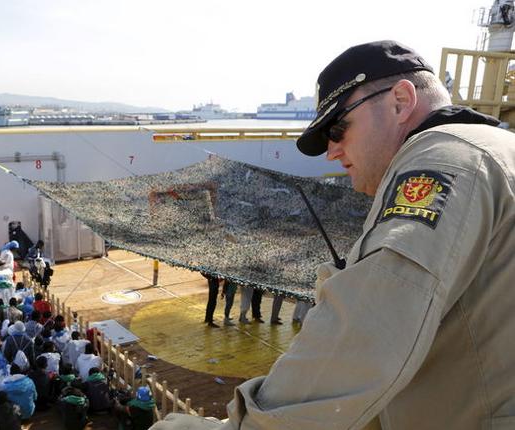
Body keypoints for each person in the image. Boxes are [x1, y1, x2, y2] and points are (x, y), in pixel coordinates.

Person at [152, 40, 515, 429]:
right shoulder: (496, 151)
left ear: (401, 100)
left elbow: (367, 333)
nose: (332, 151)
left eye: (338, 128)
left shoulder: (442, 160)